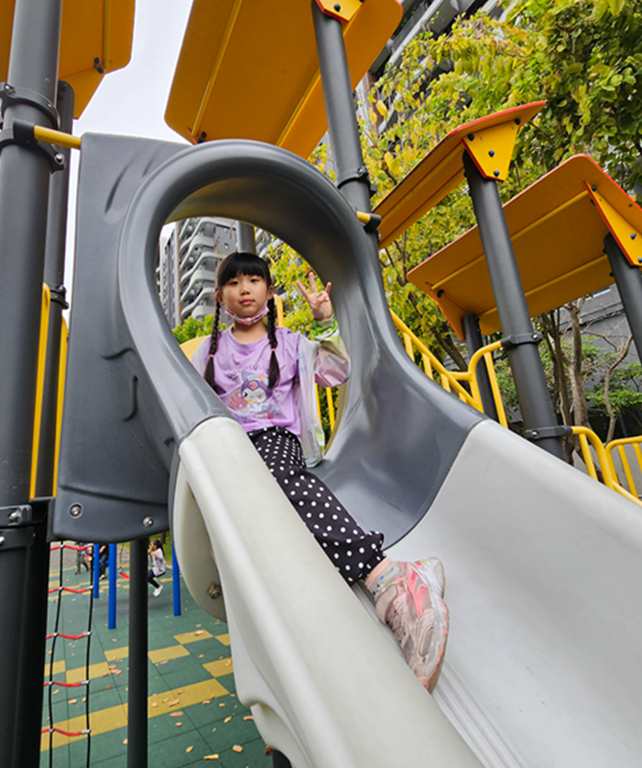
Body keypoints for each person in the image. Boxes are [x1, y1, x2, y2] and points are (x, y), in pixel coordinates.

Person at [191, 251, 449, 692]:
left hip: (275, 441)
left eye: (255, 281)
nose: (245, 289)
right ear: (220, 297)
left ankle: (390, 581)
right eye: (234, 283)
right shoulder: (209, 351)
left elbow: (335, 372)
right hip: (228, 447)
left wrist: (324, 323)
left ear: (270, 293)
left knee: (279, 482)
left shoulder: (289, 343)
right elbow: (191, 401)